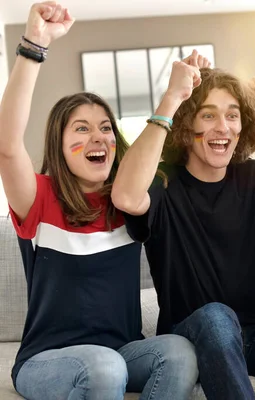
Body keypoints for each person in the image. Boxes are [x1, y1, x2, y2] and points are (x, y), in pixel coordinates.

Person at [111, 51, 255, 399]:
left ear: (244, 126)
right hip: (194, 334)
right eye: (208, 115)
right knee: (216, 317)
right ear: (186, 126)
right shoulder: (164, 180)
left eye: (232, 116)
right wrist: (172, 98)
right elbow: (127, 198)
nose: (223, 127)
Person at [0, 3, 198, 399]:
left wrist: (179, 94)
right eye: (82, 129)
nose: (99, 138)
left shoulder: (129, 198)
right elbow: (6, 146)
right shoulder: (39, 197)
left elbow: (170, 159)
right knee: (104, 367)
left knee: (178, 352)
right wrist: (34, 44)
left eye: (106, 128)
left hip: (121, 351)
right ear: (59, 144)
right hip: (48, 360)